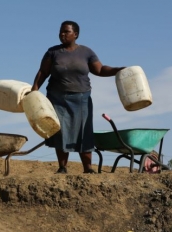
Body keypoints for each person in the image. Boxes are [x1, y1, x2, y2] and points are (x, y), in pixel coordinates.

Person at [31, 20, 125, 174]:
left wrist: (118, 70)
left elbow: (100, 70)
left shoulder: (86, 52)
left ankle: (88, 168)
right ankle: (62, 167)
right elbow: (43, 72)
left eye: (66, 31)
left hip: (81, 98)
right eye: (61, 31)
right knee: (59, 131)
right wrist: (34, 90)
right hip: (57, 98)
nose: (62, 34)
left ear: (76, 34)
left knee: (84, 131)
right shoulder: (52, 52)